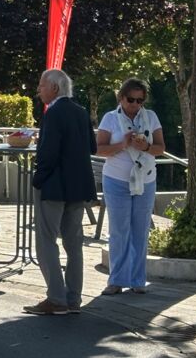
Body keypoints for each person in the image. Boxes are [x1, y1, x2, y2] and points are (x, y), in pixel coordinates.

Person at [24, 69, 97, 316]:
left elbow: (48, 154)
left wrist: (38, 179)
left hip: (54, 186)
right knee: (74, 243)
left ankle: (56, 298)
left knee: (46, 241)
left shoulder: (53, 113)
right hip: (78, 187)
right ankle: (73, 298)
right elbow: (91, 146)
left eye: (42, 85)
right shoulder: (81, 111)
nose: (39, 90)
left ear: (54, 88)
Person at [96, 78, 165, 295]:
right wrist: (122, 145)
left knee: (140, 230)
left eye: (140, 101)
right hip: (116, 179)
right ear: (121, 98)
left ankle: (137, 280)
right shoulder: (110, 118)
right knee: (119, 230)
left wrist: (145, 146)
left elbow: (161, 148)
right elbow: (99, 149)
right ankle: (116, 279)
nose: (135, 105)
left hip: (145, 178)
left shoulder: (150, 117)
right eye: (131, 100)